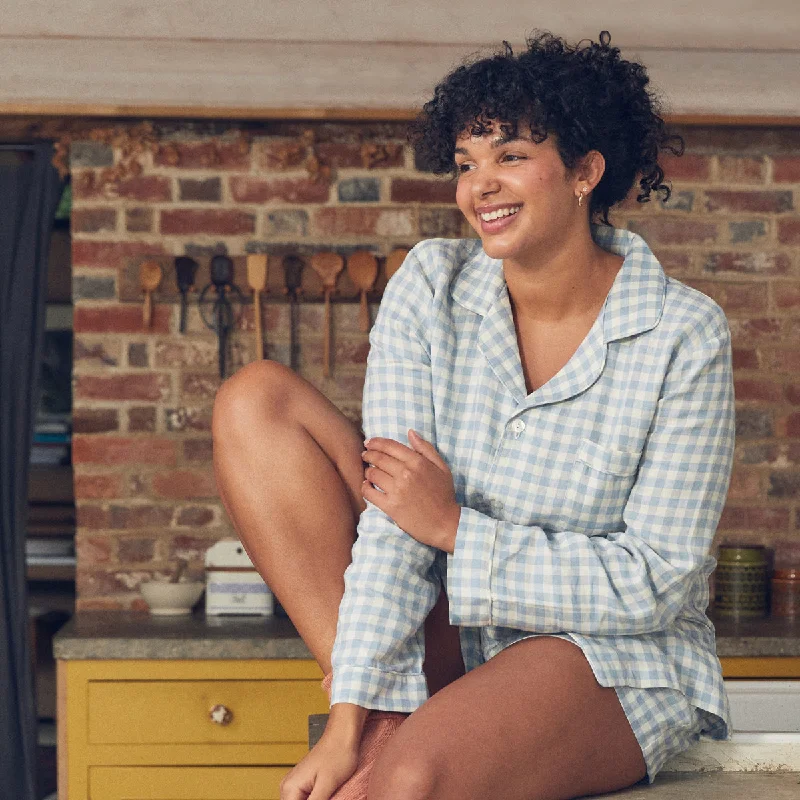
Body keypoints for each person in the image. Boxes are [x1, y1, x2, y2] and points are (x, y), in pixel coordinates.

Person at [212, 30, 735, 800]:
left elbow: (653, 583)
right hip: (446, 629)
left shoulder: (683, 334)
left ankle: (406, 747)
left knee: (410, 783)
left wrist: (455, 527)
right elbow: (394, 520)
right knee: (255, 399)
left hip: (606, 653)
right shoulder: (431, 283)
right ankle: (392, 718)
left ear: (586, 172)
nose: (478, 186)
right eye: (466, 164)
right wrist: (352, 723)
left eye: (511, 157)